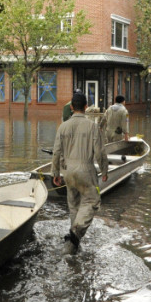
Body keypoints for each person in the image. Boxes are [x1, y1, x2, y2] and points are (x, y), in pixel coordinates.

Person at [52, 93, 108, 254]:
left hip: (67, 171)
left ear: (71, 107)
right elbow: (100, 152)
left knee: (73, 205)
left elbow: (56, 152)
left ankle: (72, 245)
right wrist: (104, 170)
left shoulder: (63, 126)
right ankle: (75, 233)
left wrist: (55, 173)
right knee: (92, 200)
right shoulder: (92, 126)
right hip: (85, 169)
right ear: (86, 107)